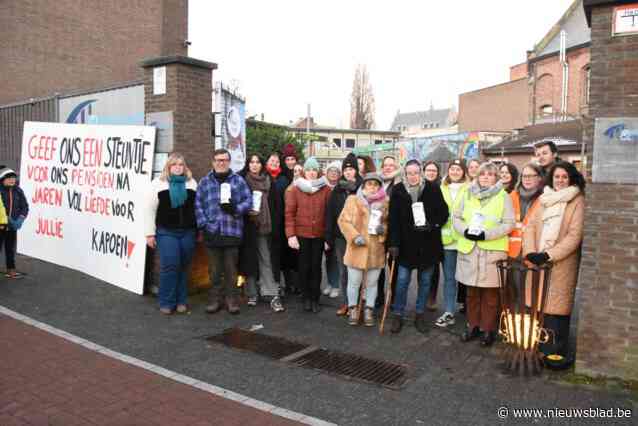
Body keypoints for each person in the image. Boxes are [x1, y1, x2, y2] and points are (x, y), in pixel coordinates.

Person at [523, 161, 585, 358]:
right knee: (535, 305)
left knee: (555, 309)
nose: (560, 180)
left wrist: (549, 255)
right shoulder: (544, 199)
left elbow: (574, 236)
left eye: (564, 177)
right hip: (536, 261)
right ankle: (533, 348)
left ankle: (553, 353)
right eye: (557, 176)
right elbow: (530, 227)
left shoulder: (577, 201)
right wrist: (531, 251)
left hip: (560, 265)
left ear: (571, 179)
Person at [454, 162, 515, 347]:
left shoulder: (503, 196)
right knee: (471, 293)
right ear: (477, 176)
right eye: (482, 174)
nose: (486, 177)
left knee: (490, 295)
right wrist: (465, 231)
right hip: (470, 250)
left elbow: (509, 223)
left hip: (492, 250)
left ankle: (488, 330)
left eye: (490, 174)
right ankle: (472, 326)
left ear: (496, 178)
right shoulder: (466, 193)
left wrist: (486, 235)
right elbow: (455, 216)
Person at [387, 160, 449, 334]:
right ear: (405, 174)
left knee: (425, 281)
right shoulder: (398, 190)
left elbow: (444, 213)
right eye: (409, 173)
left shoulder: (432, 188)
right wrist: (393, 243)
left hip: (427, 244)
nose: (413, 176)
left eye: (416, 172)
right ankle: (398, 314)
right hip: (405, 245)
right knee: (401, 281)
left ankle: (420, 314)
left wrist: (432, 224)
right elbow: (393, 219)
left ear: (421, 172)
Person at [196, 149, 252, 315]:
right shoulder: (204, 182)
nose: (221, 163)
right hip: (212, 231)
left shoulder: (238, 181)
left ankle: (231, 300)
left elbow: (248, 201)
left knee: (231, 269)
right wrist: (204, 225)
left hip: (231, 231)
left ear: (229, 162)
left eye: (225, 160)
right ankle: (215, 299)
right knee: (214, 271)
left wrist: (235, 209)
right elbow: (198, 205)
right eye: (218, 160)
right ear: (213, 162)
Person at [144, 153, 198, 315]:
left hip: (188, 232)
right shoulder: (158, 184)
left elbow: (197, 208)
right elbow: (149, 210)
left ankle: (181, 300)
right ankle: (166, 301)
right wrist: (149, 234)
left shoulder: (192, 183)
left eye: (181, 165)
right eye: (174, 164)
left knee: (183, 266)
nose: (178, 167)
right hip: (166, 232)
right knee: (170, 265)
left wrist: (199, 230)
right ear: (168, 167)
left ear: (184, 167)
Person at [338, 173, 388, 326]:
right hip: (356, 249)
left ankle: (368, 309)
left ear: (380, 187)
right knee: (354, 282)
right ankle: (353, 308)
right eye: (369, 184)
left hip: (375, 250)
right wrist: (354, 236)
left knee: (372, 283)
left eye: (375, 184)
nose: (372, 187)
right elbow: (343, 221)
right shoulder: (352, 200)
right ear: (364, 185)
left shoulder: (385, 202)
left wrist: (383, 230)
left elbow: (387, 223)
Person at [239, 154, 285, 312]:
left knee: (266, 259)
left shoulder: (269, 181)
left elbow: (277, 205)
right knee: (249, 261)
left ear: (262, 165)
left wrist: (276, 225)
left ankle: (271, 293)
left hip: (266, 227)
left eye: (258, 162)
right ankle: (252, 293)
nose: (254, 165)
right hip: (248, 226)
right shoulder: (242, 180)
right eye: (251, 162)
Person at [285, 157, 332, 313]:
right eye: (309, 170)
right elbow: (290, 213)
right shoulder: (295, 188)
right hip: (302, 234)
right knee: (303, 267)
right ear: (304, 171)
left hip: (319, 235)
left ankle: (315, 297)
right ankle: (305, 297)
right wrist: (291, 235)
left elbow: (329, 215)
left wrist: (327, 237)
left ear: (318, 171)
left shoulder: (325, 189)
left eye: (314, 170)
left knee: (316, 268)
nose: (311, 173)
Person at [325, 153, 362, 315]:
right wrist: (328, 237)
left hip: (358, 237)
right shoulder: (337, 190)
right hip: (340, 237)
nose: (348, 172)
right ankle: (347, 303)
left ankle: (359, 304)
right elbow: (330, 215)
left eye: (351, 169)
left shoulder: (363, 188)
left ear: (356, 171)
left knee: (358, 271)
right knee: (344, 271)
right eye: (345, 170)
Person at [434, 159, 469, 328]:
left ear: (464, 172)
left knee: (467, 278)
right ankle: (449, 311)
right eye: (452, 169)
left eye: (458, 169)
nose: (455, 171)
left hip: (465, 241)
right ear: (448, 171)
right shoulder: (441, 188)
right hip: (447, 241)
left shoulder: (470, 188)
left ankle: (471, 313)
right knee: (449, 278)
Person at [266, 152, 298, 298]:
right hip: (266, 222)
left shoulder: (284, 179)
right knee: (269, 256)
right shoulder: (263, 177)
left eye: (277, 161)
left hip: (282, 222)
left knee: (284, 255)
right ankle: (273, 285)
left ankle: (287, 284)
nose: (274, 163)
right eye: (271, 161)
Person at [508, 163, 544, 260]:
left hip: (534, 250)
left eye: (531, 176)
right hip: (512, 251)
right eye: (524, 176)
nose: (527, 179)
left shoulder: (545, 198)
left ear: (539, 178)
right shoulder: (512, 196)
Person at [0, 168, 29, 279]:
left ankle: (11, 270)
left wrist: (20, 219)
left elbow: (25, 206)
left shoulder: (18, 191)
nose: (12, 180)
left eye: (13, 177)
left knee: (10, 248)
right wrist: (7, 219)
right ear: (2, 179)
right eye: (9, 178)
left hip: (13, 227)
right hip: (1, 225)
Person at [423, 160, 442, 310]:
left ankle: (432, 297)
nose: (431, 173)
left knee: (434, 268)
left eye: (434, 171)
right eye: (428, 170)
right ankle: (423, 295)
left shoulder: (441, 187)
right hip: (420, 232)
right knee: (422, 266)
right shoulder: (419, 186)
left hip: (436, 232)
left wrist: (435, 223)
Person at [322, 161, 342, 299]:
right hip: (322, 227)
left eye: (336, 171)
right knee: (327, 258)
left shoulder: (341, 188)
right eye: (331, 171)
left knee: (336, 258)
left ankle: (336, 285)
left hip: (337, 229)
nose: (333, 173)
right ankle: (329, 282)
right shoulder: (321, 187)